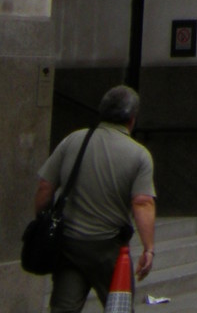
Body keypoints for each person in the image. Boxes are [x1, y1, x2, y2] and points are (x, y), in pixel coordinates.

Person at [33, 83, 156, 313]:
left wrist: (43, 219)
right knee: (118, 307)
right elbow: (142, 203)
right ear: (132, 118)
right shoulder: (139, 155)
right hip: (109, 249)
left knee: (63, 308)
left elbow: (45, 186)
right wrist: (148, 248)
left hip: (69, 244)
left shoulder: (73, 141)